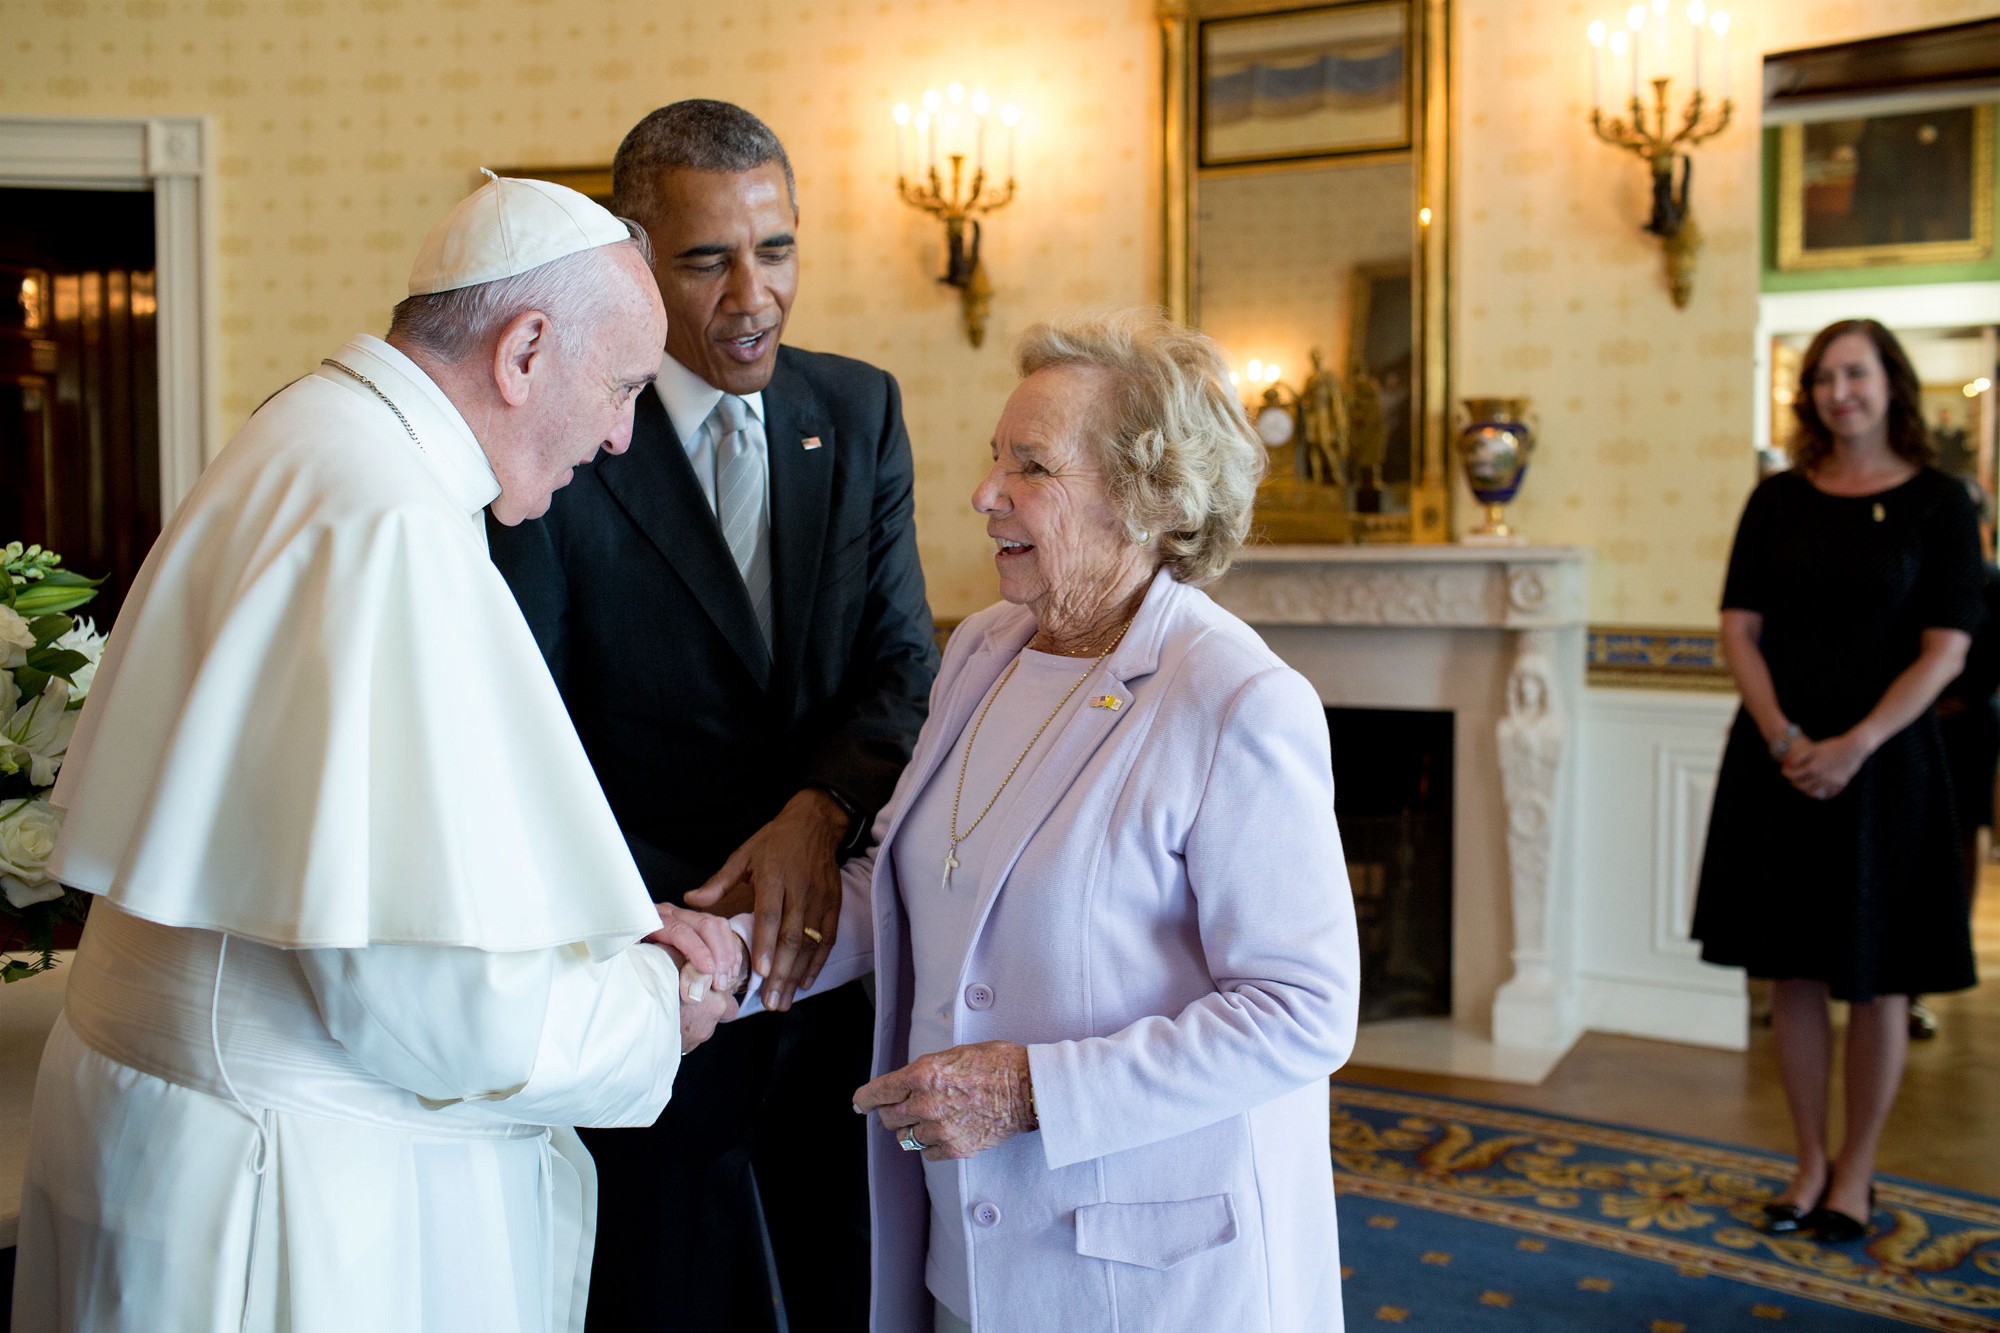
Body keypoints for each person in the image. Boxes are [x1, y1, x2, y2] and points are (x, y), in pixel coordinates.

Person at [11, 175, 744, 1333]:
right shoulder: (390, 521)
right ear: (524, 350)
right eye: (622, 388)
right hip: (280, 1183)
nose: (617, 435)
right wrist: (657, 999)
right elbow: (438, 1007)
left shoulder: (309, 436)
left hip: (171, 1127)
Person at [700, 309, 1361, 1331]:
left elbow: (1301, 1008)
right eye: (991, 459)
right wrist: (734, 958)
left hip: (1148, 1273)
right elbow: (906, 885)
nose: (982, 494)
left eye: (1031, 468)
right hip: (971, 1242)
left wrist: (1032, 1090)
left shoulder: (1233, 699)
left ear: (1150, 498)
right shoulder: (983, 650)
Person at [487, 101, 937, 1332]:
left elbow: (901, 665)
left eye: (777, 248)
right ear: (635, 259)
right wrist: (675, 928)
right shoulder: (558, 437)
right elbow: (524, 726)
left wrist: (817, 810)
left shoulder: (858, 410)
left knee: (850, 1278)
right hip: (644, 966)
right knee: (660, 1289)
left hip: (834, 966)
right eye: (706, 259)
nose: (755, 293)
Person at [1691, 317, 1982, 1246]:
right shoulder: (1775, 499)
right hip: (1780, 760)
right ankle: (1808, 1161)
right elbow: (1739, 627)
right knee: (1797, 973)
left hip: (1887, 765)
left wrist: (1855, 743)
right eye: (1822, 376)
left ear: (1892, 382)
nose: (1837, 390)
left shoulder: (1943, 500)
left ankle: (1857, 1173)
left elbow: (1948, 649)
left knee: (1880, 978)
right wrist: (1785, 739)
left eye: (1854, 372)